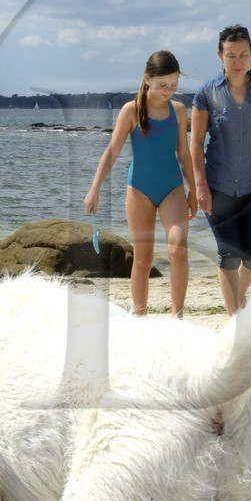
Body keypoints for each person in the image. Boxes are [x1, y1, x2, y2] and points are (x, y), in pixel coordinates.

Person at [84, 50, 197, 317]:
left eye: (174, 85)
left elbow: (183, 153)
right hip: (139, 190)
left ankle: (177, 316)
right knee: (143, 258)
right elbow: (112, 150)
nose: (169, 90)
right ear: (147, 79)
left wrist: (193, 189)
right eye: (162, 85)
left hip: (172, 188)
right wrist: (94, 189)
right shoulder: (131, 110)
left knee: (178, 249)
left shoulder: (179, 111)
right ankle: (140, 316)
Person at [191, 24, 251, 315]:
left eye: (243, 55)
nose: (237, 61)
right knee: (229, 254)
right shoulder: (206, 93)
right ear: (219, 55)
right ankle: (234, 316)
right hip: (217, 185)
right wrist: (199, 185)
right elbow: (195, 142)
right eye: (231, 55)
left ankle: (240, 295)